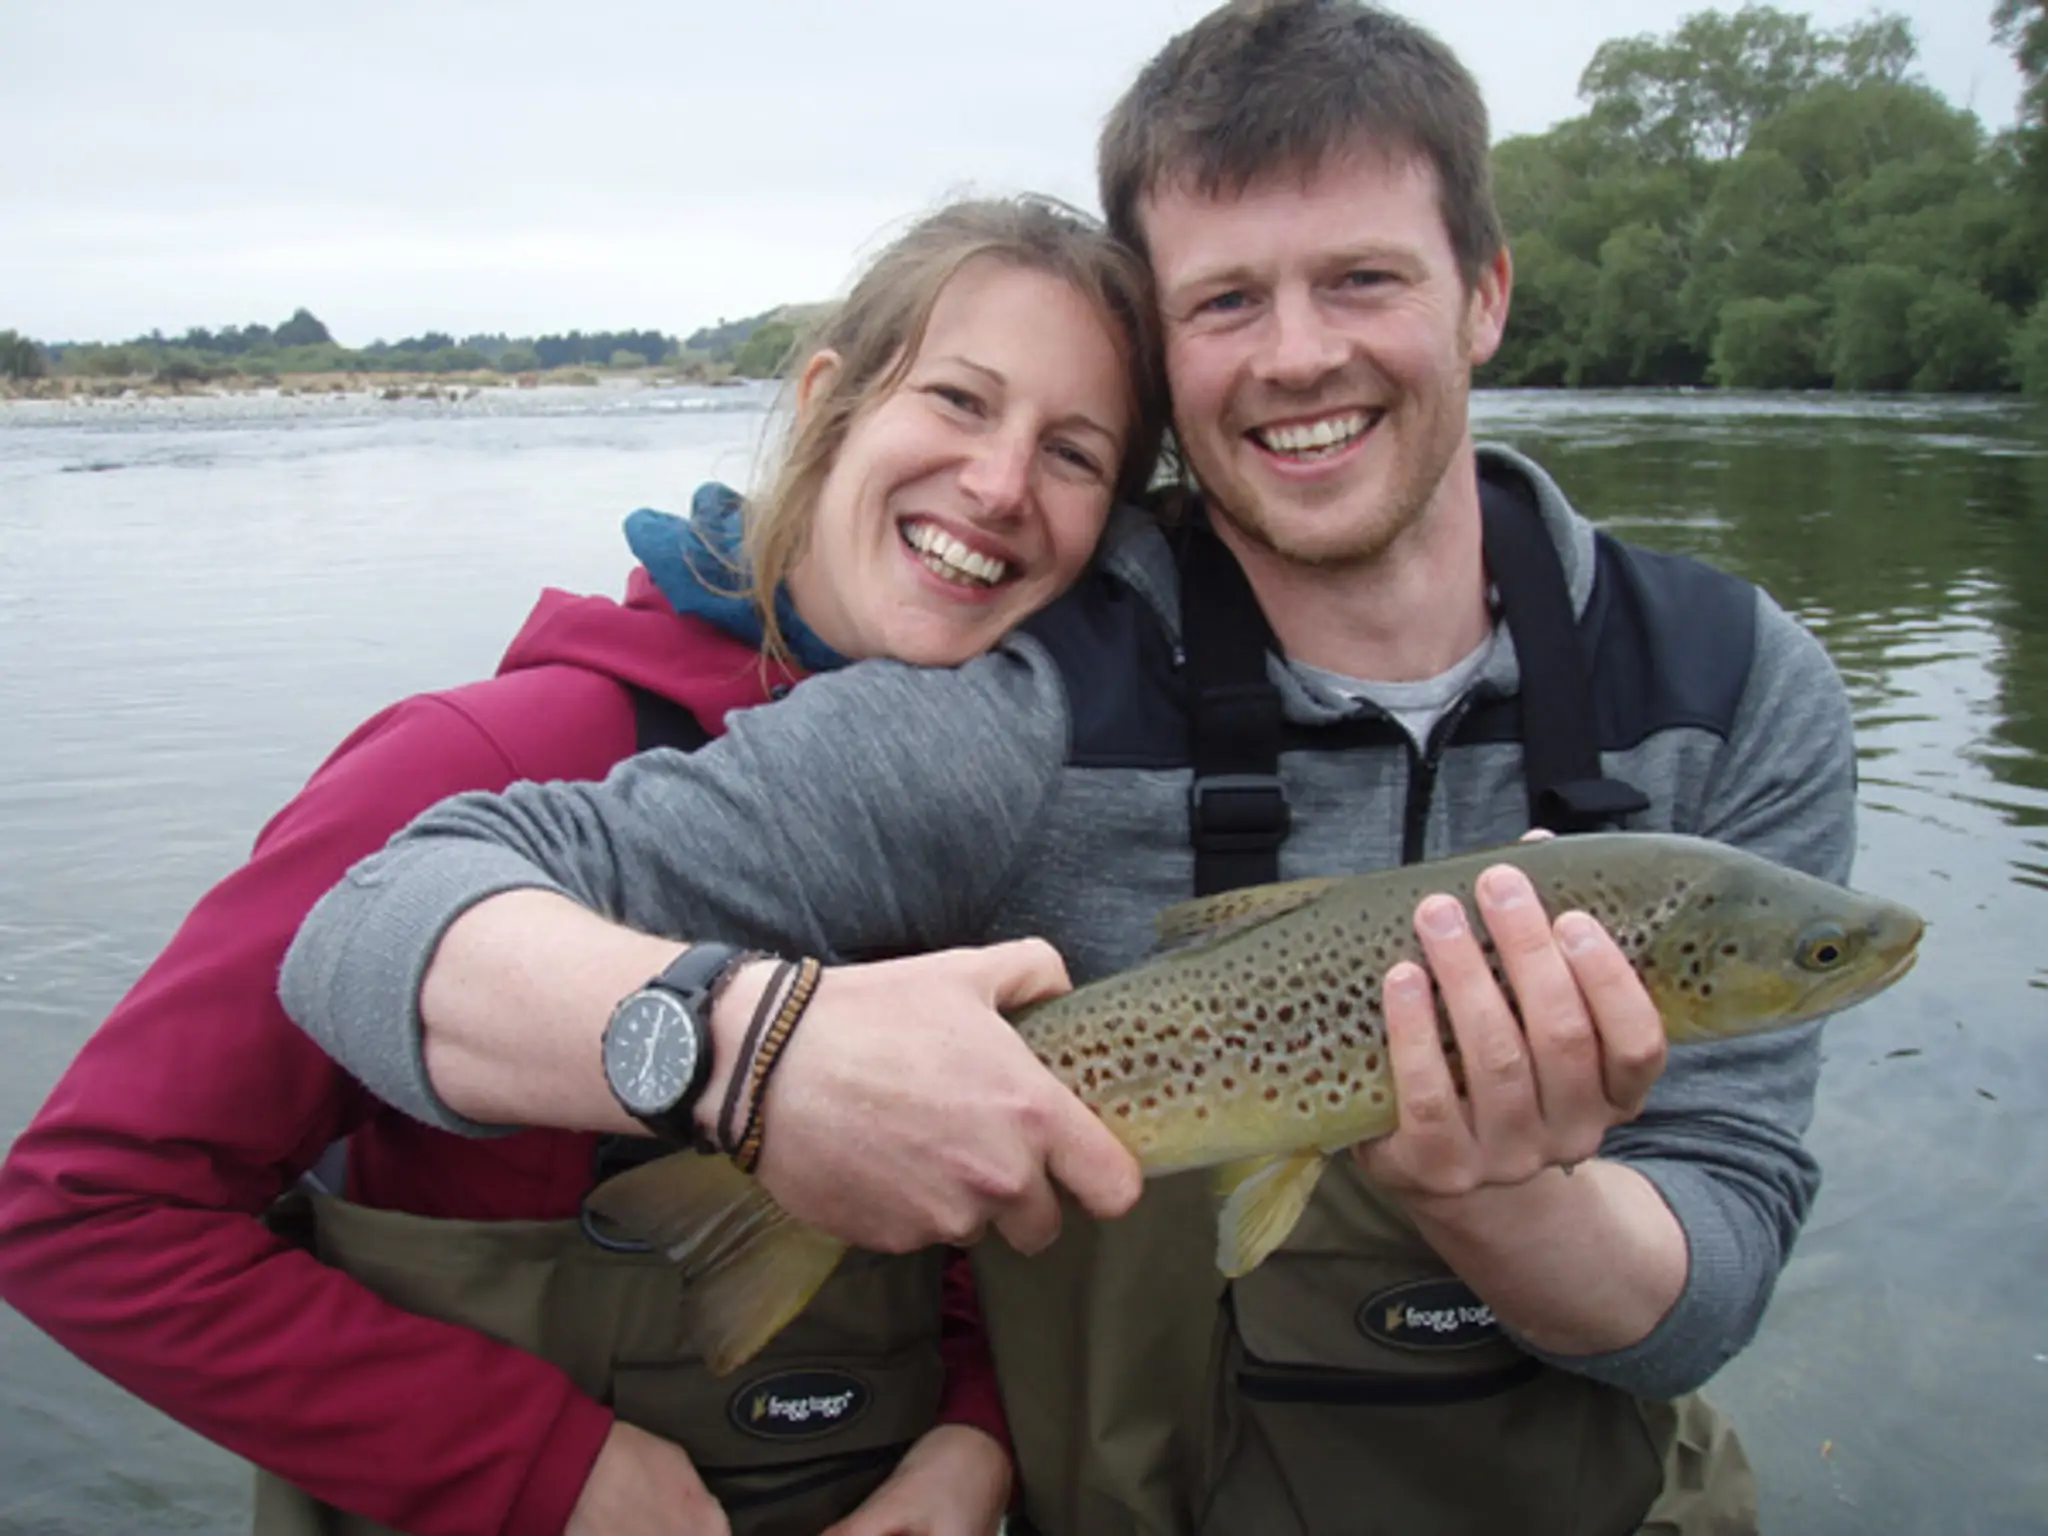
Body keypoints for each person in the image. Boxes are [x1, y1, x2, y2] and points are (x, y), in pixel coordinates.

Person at [277, 3, 1859, 1533]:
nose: (1300, 355)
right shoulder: (1032, 701)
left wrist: (1501, 1192)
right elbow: (369, 925)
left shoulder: (1734, 692)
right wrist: (750, 1054)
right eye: (1227, 302)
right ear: (1166, 362)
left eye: (1364, 278)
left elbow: (1706, 1287)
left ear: (1486, 293)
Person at [0, 194, 1168, 1536]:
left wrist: (972, 1439)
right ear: (829, 403)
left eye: (1073, 454)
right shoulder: (486, 761)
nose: (1002, 484)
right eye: (961, 401)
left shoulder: (1024, 811)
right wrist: (541, 1470)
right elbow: (83, 1212)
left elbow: (976, 1200)